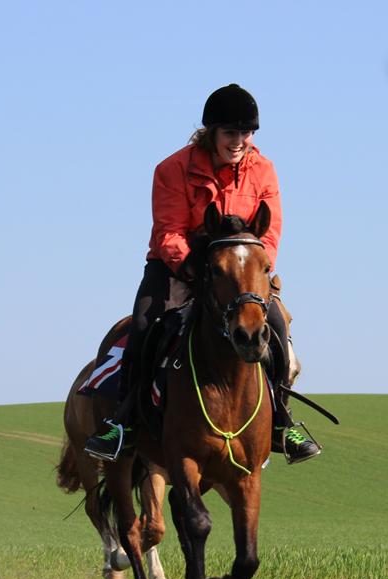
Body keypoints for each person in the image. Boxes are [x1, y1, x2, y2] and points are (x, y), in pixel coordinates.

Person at [84, 83, 321, 465]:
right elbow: (168, 232)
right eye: (230, 133)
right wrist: (196, 270)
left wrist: (256, 269)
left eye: (246, 133)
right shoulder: (172, 169)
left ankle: (281, 420)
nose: (239, 141)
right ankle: (123, 422)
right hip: (179, 267)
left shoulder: (264, 170)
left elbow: (269, 232)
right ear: (211, 132)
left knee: (275, 325)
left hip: (241, 273)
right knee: (145, 325)